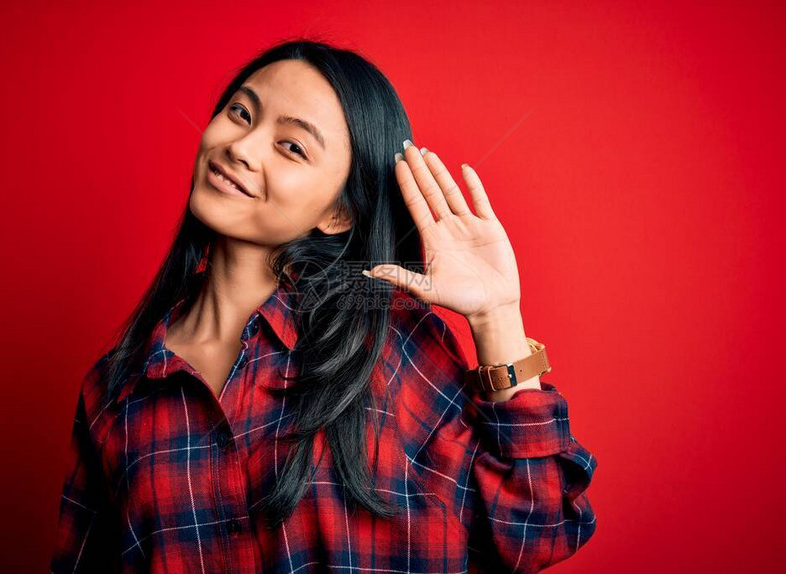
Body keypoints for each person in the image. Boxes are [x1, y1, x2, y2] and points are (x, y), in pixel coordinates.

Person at [49, 38, 597, 573]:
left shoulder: (385, 340)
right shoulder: (116, 389)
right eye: (241, 112)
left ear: (337, 214)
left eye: (292, 146)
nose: (240, 146)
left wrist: (495, 314)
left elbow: (539, 528)